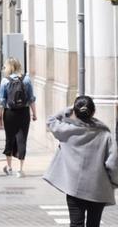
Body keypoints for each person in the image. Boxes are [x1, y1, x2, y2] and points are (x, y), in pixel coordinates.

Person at [44, 96, 118, 227]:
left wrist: (70, 108)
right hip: (97, 187)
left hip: (74, 188)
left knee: (76, 223)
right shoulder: (104, 134)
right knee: (94, 224)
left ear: (75, 113)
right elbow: (113, 163)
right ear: (93, 112)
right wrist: (114, 182)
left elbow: (51, 120)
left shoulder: (66, 130)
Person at [0, 57, 37, 178]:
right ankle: (20, 169)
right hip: (24, 112)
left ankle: (9, 167)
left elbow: (1, 102)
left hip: (9, 113)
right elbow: (31, 99)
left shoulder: (5, 81)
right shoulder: (26, 79)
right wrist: (34, 113)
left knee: (9, 138)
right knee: (22, 139)